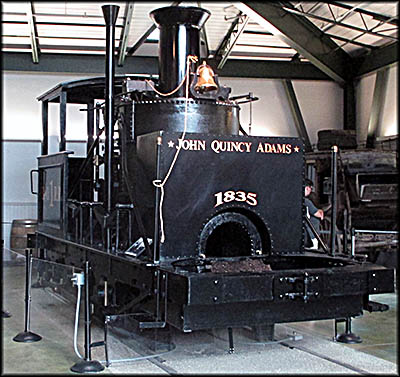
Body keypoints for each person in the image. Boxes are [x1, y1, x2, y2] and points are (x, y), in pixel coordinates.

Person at [304, 179, 324, 250]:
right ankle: (314, 241)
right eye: (310, 189)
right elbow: (317, 214)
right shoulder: (306, 202)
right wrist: (321, 211)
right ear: (308, 188)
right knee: (314, 220)